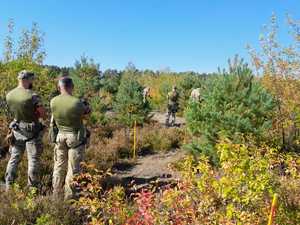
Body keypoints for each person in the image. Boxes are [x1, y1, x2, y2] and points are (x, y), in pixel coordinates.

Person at [50, 77, 91, 200]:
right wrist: (87, 106)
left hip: (60, 136)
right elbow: (87, 115)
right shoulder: (76, 102)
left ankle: (56, 195)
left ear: (60, 87)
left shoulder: (53, 101)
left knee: (58, 167)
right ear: (71, 86)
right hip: (74, 137)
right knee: (73, 170)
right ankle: (69, 199)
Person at [5, 70, 46, 191]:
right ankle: (32, 189)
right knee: (33, 160)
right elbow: (43, 114)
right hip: (32, 131)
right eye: (31, 79)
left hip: (16, 129)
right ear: (28, 80)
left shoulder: (9, 95)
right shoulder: (32, 96)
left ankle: (9, 186)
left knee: (14, 158)